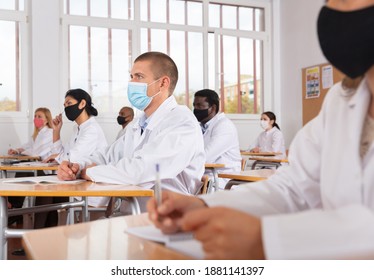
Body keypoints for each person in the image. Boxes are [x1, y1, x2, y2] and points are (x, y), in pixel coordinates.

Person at [147, 0, 374, 260]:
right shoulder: (341, 101)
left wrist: (271, 240)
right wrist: (203, 206)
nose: (333, 7)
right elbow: (294, 189)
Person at [57, 51, 205, 211]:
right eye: (131, 76)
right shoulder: (138, 124)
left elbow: (141, 171)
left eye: (139, 77)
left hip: (169, 220)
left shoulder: (181, 122)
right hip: (133, 214)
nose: (131, 82)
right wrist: (77, 166)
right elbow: (107, 156)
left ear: (163, 83)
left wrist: (90, 172)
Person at [35, 88, 108, 228]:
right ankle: (42, 239)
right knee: (45, 192)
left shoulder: (91, 129)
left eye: (69, 103)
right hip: (78, 182)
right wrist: (56, 131)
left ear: (82, 104)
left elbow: (70, 158)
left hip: (91, 188)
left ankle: (36, 239)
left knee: (46, 192)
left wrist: (61, 157)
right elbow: (63, 153)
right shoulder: (78, 129)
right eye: (64, 106)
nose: (66, 108)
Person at [7, 107, 54, 223]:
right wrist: (17, 150)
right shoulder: (37, 134)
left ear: (47, 119)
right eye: (35, 116)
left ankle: (14, 206)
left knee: (24, 170)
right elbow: (28, 146)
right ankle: (14, 207)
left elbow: (36, 153)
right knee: (22, 167)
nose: (36, 119)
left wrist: (22, 152)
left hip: (47, 171)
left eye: (39, 116)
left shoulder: (49, 133)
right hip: (38, 166)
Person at [193, 89, 241, 190]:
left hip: (222, 179)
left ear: (212, 108)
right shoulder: (201, 126)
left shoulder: (224, 126)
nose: (195, 109)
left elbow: (205, 156)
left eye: (199, 105)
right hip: (206, 175)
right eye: (194, 105)